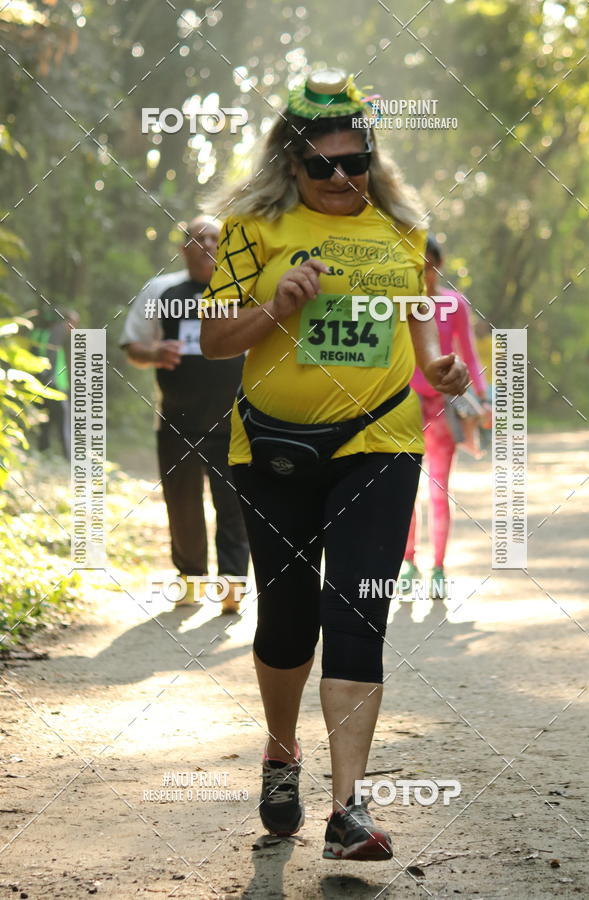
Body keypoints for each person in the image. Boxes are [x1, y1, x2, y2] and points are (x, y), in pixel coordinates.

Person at [200, 69, 469, 860]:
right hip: (274, 449)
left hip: (380, 443)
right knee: (288, 620)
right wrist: (274, 307)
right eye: (323, 165)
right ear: (292, 165)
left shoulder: (403, 233)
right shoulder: (251, 229)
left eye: (356, 160)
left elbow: (425, 344)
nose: (342, 176)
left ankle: (348, 809)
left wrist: (444, 372)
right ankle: (282, 750)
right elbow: (214, 340)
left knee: (359, 611)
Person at [120, 215, 249, 613]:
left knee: (234, 503)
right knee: (183, 504)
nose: (209, 244)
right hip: (177, 419)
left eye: (216, 237)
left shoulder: (245, 289)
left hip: (235, 420)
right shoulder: (161, 291)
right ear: (184, 248)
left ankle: (232, 586)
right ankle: (190, 578)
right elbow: (133, 345)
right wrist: (156, 353)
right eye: (199, 238)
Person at [403, 237, 490, 599]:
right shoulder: (400, 301)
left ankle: (438, 568)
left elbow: (467, 354)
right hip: (402, 406)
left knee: (439, 489)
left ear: (439, 264)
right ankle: (408, 563)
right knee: (404, 490)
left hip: (441, 407)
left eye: (429, 263)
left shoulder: (454, 304)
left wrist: (482, 399)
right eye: (417, 264)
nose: (425, 271)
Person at [33, 308, 80, 458]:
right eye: (73, 323)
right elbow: (51, 355)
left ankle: (43, 450)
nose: (73, 328)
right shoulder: (58, 330)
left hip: (40, 383)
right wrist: (51, 378)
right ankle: (69, 455)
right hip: (55, 384)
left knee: (45, 418)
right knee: (64, 419)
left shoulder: (39, 334)